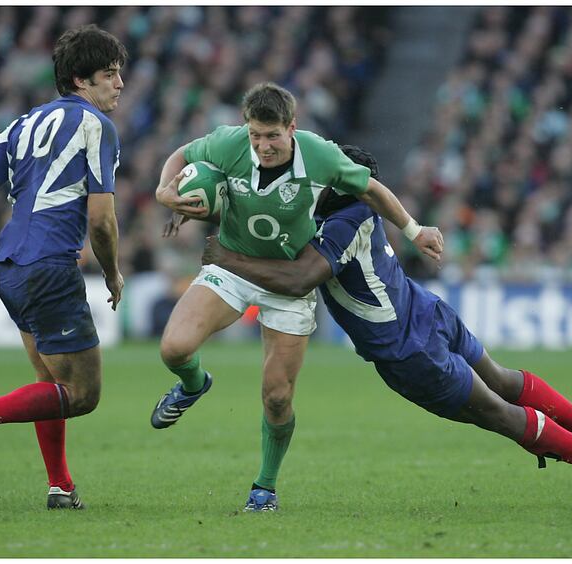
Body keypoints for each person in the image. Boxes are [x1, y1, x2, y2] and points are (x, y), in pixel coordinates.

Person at [201, 144, 572, 490]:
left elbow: (300, 279)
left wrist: (226, 257)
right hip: (426, 309)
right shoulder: (349, 209)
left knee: (498, 413)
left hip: (408, 350)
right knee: (504, 380)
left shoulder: (343, 222)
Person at [154, 82, 445, 511]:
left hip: (288, 280)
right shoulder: (228, 143)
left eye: (272, 136)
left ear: (292, 127)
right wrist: (165, 192)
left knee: (277, 396)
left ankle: (264, 487)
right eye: (255, 135)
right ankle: (194, 384)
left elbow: (371, 190)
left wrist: (416, 231)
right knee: (174, 349)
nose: (263, 146)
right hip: (231, 265)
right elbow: (182, 155)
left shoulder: (319, 154)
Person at [0, 24, 127, 509]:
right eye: (109, 74)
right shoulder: (96, 126)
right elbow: (101, 219)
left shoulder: (22, 122)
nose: (119, 84)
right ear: (81, 81)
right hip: (50, 266)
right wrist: (114, 271)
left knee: (50, 384)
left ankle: (59, 485)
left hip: (12, 265)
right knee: (82, 392)